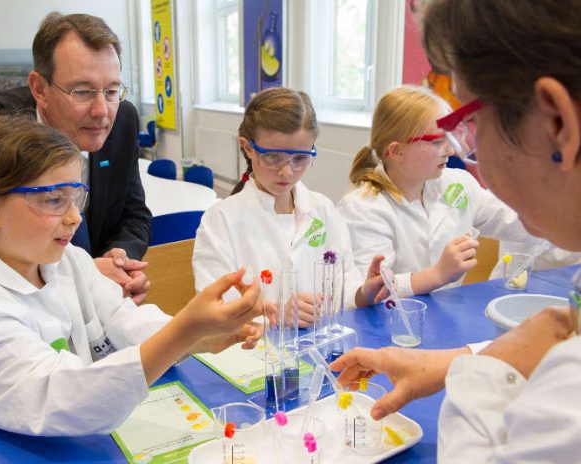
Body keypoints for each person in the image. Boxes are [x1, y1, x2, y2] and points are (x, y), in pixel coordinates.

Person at [330, 0, 581, 460]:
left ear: (557, 122)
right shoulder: (365, 206)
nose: (462, 148)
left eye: (467, 124)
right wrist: (467, 359)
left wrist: (485, 368)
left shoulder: (456, 185)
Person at [0, 115, 262, 436]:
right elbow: (65, 399)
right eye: (53, 200)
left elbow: (125, 321)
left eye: (76, 196)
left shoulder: (70, 262)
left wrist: (203, 336)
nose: (75, 217)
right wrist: (185, 329)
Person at [0, 12, 151, 305]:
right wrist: (82, 275)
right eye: (83, 91)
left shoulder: (122, 119)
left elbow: (133, 214)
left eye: (112, 90)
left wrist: (118, 260)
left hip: (94, 308)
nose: (102, 111)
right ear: (40, 89)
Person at [193, 87, 387, 328]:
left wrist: (363, 294)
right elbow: (215, 312)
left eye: (300, 158)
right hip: (252, 355)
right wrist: (277, 317)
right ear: (248, 147)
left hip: (317, 347)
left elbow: (343, 284)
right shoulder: (220, 221)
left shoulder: (323, 210)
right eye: (273, 157)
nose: (287, 171)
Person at [337, 85, 535, 296]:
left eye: (449, 139)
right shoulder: (362, 208)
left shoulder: (457, 184)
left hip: (445, 315)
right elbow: (372, 289)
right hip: (391, 322)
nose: (449, 150)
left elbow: (514, 221)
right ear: (397, 151)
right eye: (438, 141)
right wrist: (439, 274)